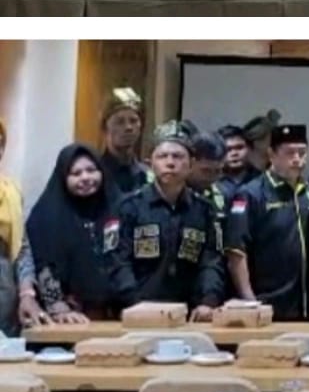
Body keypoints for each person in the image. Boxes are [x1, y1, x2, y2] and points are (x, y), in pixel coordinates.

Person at [106, 131, 225, 319]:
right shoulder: (127, 207)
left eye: (178, 157)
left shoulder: (205, 210)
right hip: (136, 311)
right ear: (150, 164)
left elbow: (211, 261)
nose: (170, 163)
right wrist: (135, 302)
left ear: (191, 164)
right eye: (162, 156)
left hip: (189, 313)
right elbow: (117, 261)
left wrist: (208, 301)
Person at [225, 122, 309, 320]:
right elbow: (236, 252)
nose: (297, 159)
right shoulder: (251, 194)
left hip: (306, 305)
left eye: (302, 152)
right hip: (265, 302)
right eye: (289, 153)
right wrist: (249, 300)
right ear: (272, 155)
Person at [27, 143, 111, 323]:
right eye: (76, 173)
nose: (86, 177)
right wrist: (58, 308)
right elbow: (44, 266)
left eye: (91, 170)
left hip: (115, 314)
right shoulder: (46, 215)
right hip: (65, 317)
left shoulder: (116, 206)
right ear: (63, 178)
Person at [0, 118, 45, 331]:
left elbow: (21, 248)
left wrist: (27, 294)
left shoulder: (10, 192)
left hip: (5, 295)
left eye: (0, 143)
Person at [97, 88, 149, 204]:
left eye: (134, 120)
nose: (128, 127)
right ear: (105, 127)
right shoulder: (94, 174)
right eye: (120, 121)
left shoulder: (148, 176)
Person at [217, 125, 259, 202]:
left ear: (250, 149)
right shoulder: (211, 182)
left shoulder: (262, 181)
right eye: (228, 149)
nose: (234, 153)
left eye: (239, 147)